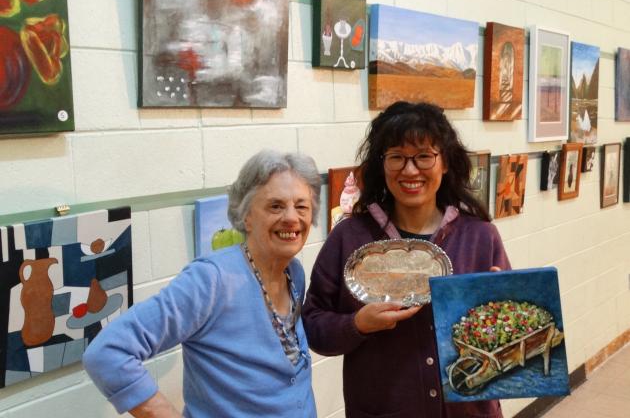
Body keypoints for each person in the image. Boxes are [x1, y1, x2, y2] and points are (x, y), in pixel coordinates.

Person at [303, 101, 511, 418]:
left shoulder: (480, 236)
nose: (410, 170)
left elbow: (509, 343)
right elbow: (314, 327)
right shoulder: (350, 238)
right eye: (397, 157)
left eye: (424, 156)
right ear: (380, 164)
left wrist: (502, 313)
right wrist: (358, 324)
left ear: (445, 163)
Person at [83, 150, 321, 417]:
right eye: (275, 206)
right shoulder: (212, 279)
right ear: (246, 216)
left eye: (302, 206)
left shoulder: (294, 273)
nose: (291, 217)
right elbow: (107, 352)